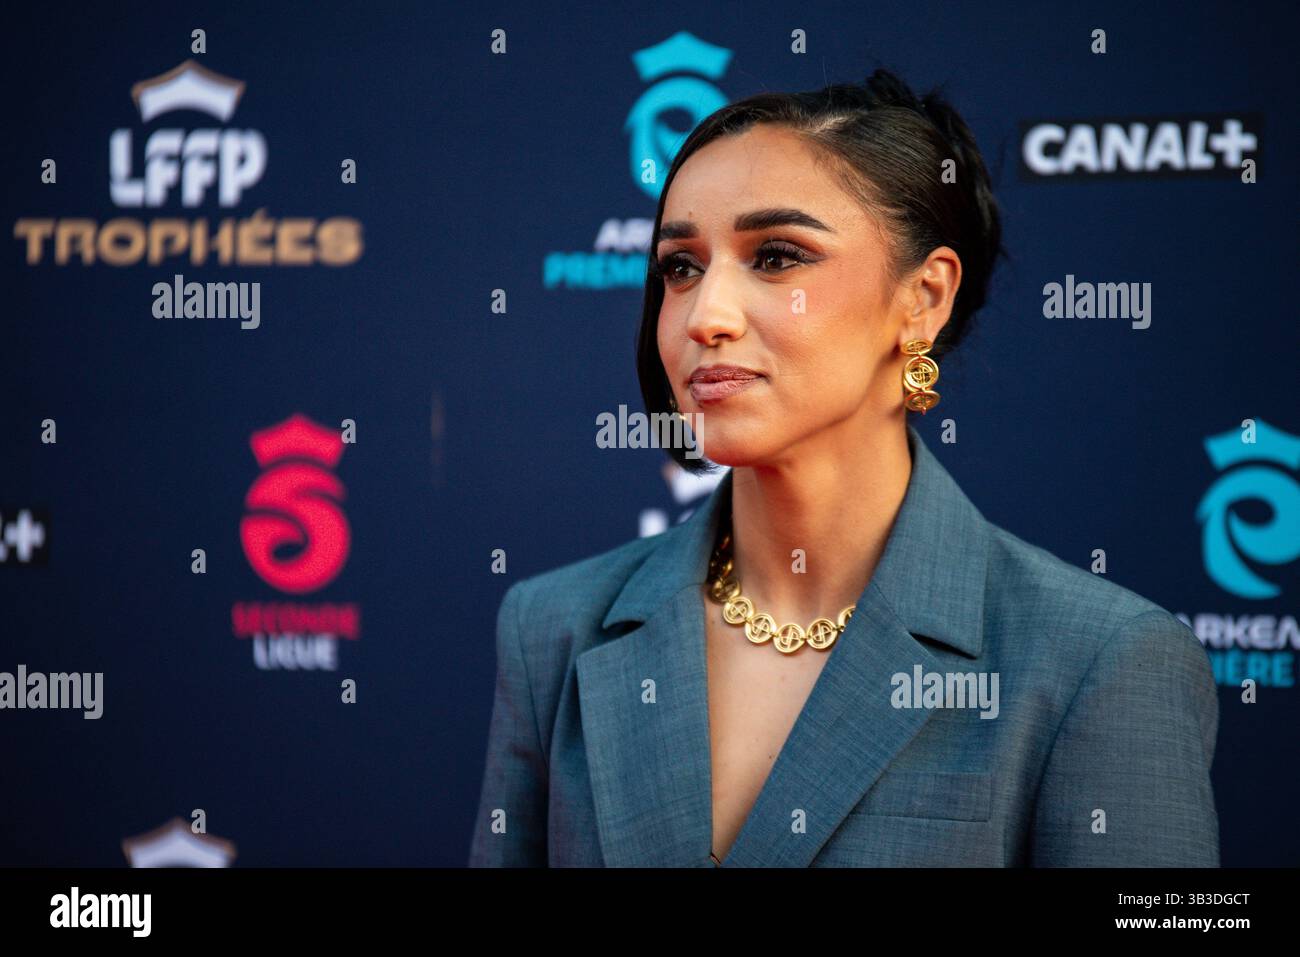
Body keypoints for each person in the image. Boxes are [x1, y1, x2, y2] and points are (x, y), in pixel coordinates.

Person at [467, 68, 1220, 867]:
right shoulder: (553, 626)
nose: (705, 316)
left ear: (923, 298)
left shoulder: (1098, 660)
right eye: (681, 267)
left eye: (778, 256)